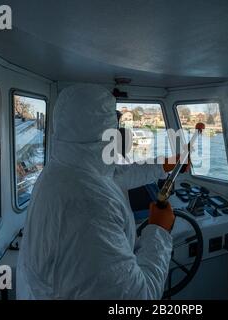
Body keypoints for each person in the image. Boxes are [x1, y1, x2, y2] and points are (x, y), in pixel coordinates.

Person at [16, 84, 178, 299]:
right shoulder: (90, 206)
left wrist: (162, 166)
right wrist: (158, 231)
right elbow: (138, 297)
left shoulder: (64, 171)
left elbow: (116, 175)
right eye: (114, 120)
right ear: (104, 129)